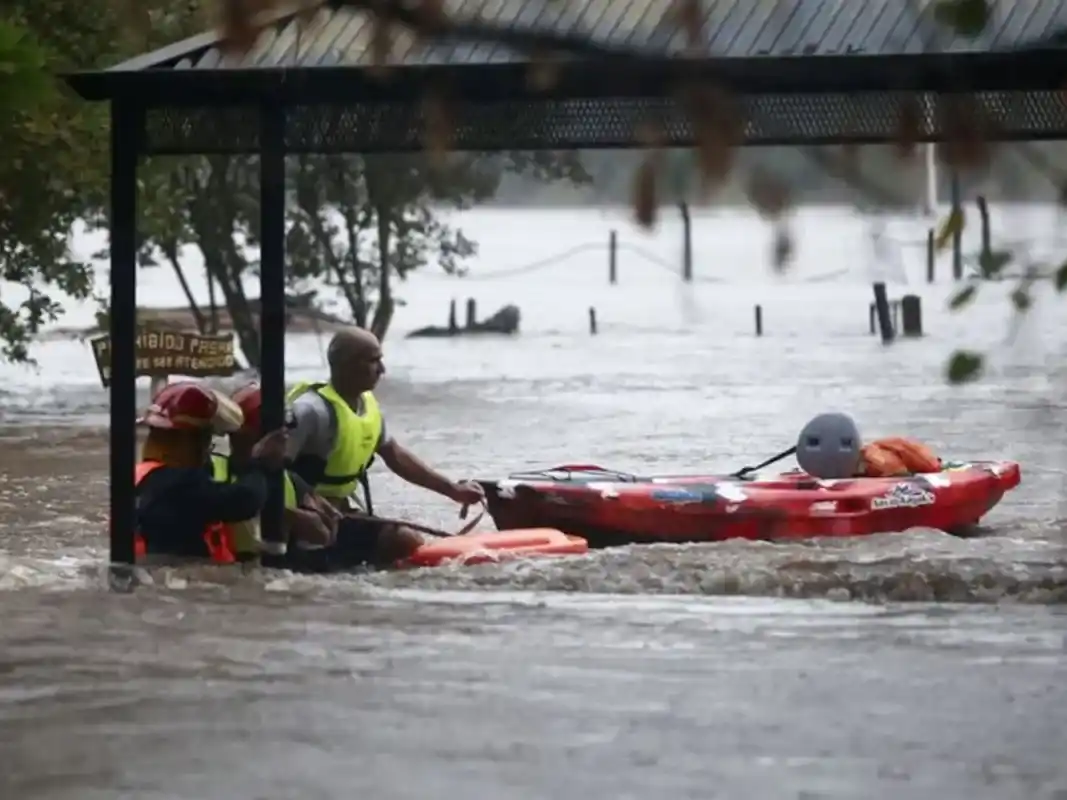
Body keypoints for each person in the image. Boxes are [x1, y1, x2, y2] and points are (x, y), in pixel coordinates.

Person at [283, 327, 485, 569]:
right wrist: (304, 507)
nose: (382, 370)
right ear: (344, 365)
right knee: (401, 542)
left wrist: (453, 490)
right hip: (305, 524)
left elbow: (396, 456)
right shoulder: (309, 411)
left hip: (342, 516)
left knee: (405, 544)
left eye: (381, 360)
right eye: (372, 361)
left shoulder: (367, 405)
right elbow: (271, 467)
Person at [133, 381, 288, 562]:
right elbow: (246, 500)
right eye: (206, 440)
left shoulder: (146, 477)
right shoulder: (179, 485)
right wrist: (258, 463)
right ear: (188, 442)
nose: (207, 450)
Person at [225, 381, 340, 552]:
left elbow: (325, 532)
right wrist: (281, 513)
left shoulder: (290, 481)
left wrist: (310, 521)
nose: (286, 437)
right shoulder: (211, 474)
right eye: (283, 431)